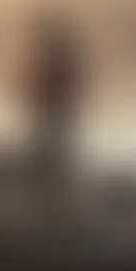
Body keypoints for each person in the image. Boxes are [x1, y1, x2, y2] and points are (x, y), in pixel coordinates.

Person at [23, 10, 85, 180]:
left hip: (54, 110)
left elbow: (62, 82)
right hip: (49, 109)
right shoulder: (56, 55)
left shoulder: (59, 55)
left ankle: (49, 174)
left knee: (52, 144)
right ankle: (45, 173)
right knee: (48, 143)